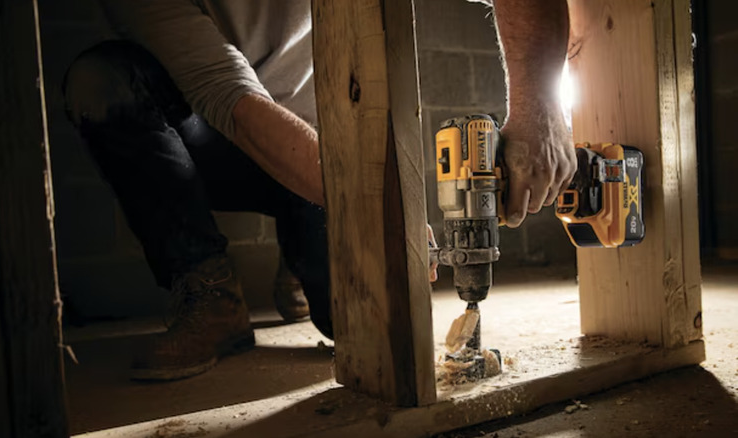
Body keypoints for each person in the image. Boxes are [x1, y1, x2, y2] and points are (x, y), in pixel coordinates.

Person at [62, 0, 575, 381]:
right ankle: (208, 289)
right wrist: (374, 205)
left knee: (351, 324)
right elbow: (233, 100)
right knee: (100, 82)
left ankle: (302, 248)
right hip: (209, 138)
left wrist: (541, 105)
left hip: (322, 139)